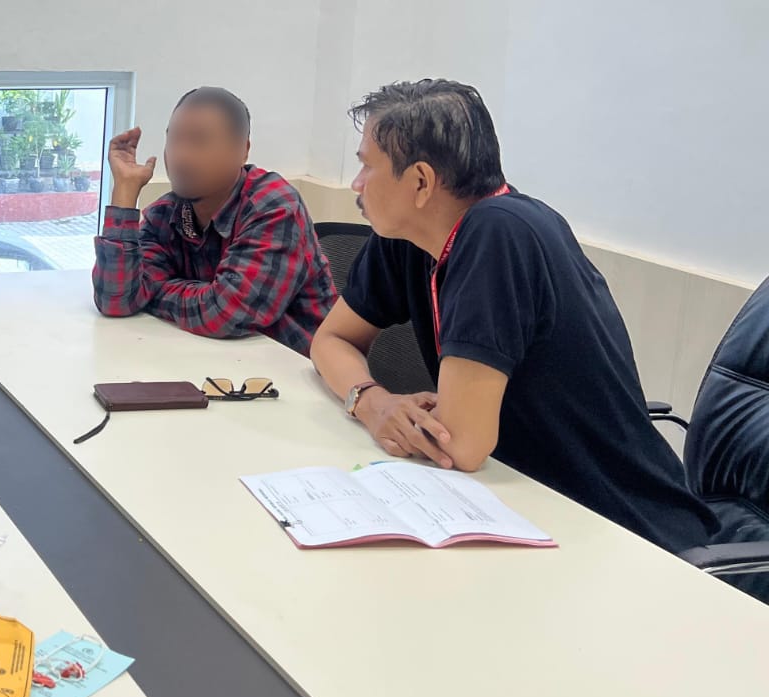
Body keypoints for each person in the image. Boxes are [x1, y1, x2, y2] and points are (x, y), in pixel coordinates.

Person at [310, 78, 717, 553]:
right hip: (517, 503)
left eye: (366, 166)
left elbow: (461, 445)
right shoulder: (409, 234)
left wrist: (400, 413)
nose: (357, 184)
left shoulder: (499, 234)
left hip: (618, 529)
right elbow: (330, 341)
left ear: (420, 182)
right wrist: (373, 402)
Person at [93, 87, 336, 355]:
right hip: (212, 359)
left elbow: (226, 314)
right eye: (174, 140)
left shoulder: (273, 206)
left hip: (293, 367)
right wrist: (125, 189)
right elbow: (117, 299)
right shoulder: (167, 213)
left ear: (242, 150)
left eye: (199, 141)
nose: (181, 156)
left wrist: (153, 292)